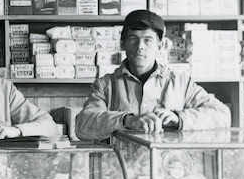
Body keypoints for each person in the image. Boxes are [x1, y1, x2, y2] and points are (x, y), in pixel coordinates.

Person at [75, 9, 231, 141]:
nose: (140, 46)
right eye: (133, 39)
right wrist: (126, 120)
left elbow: (222, 115)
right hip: (120, 170)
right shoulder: (106, 84)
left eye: (148, 40)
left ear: (161, 45)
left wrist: (179, 118)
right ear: (122, 43)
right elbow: (82, 126)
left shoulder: (181, 83)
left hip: (167, 170)